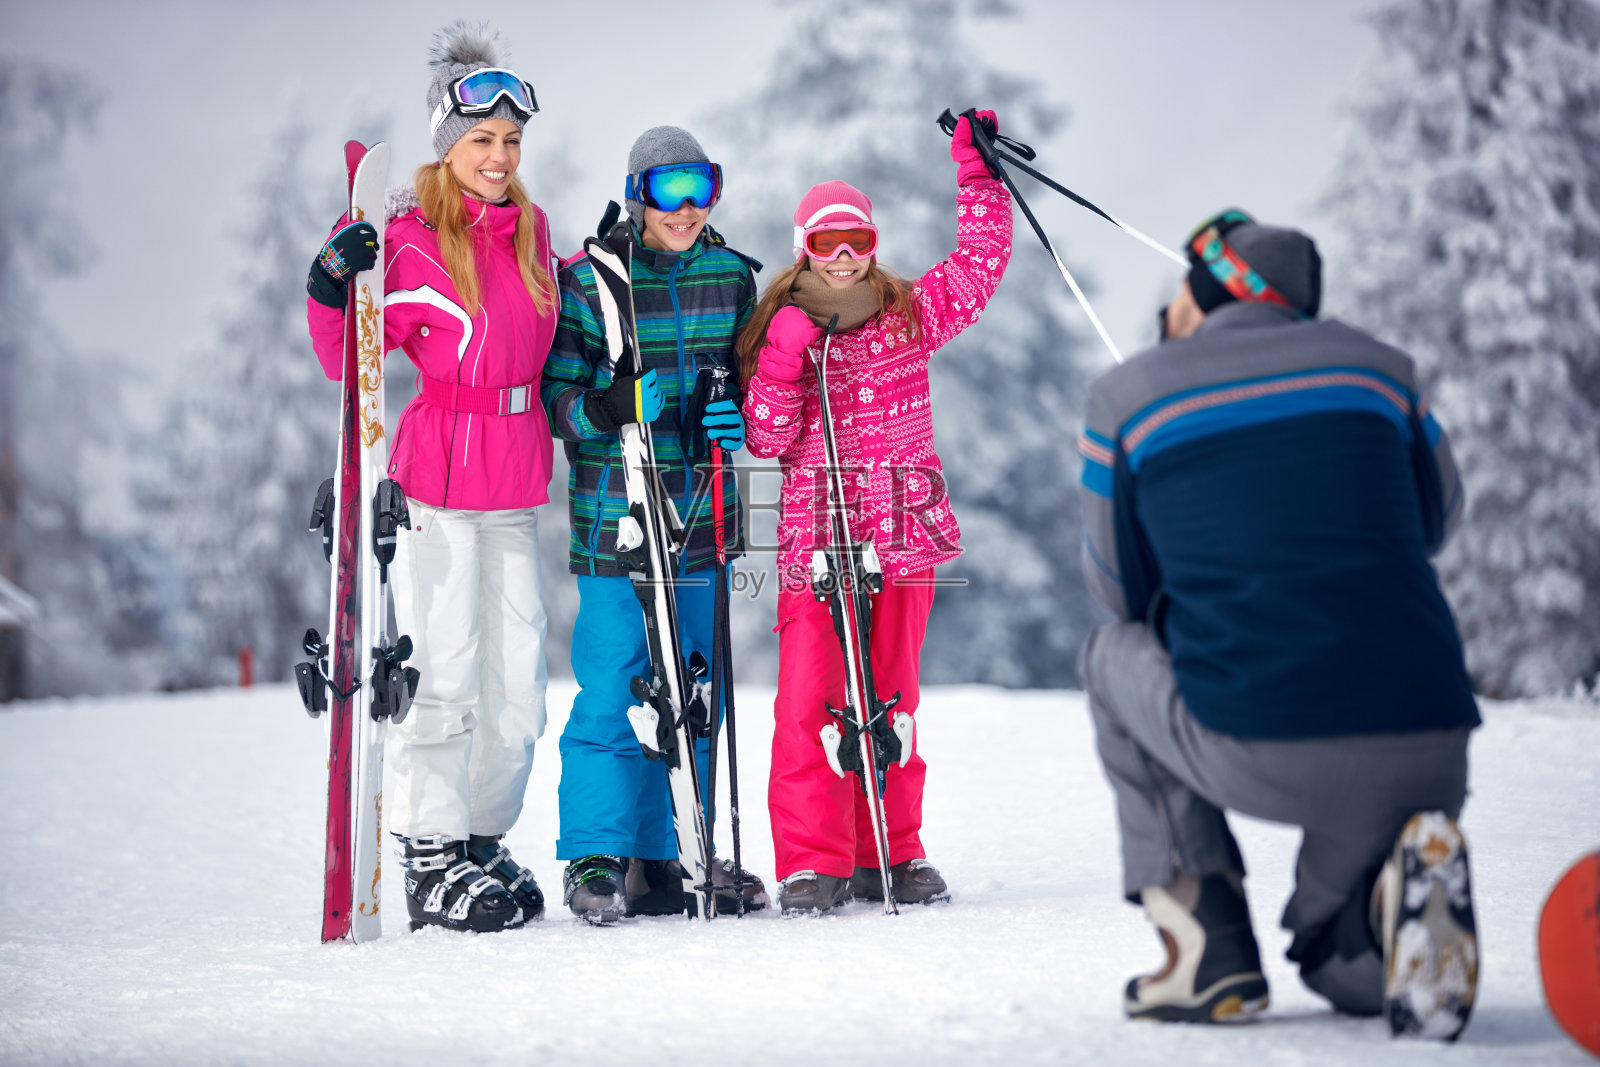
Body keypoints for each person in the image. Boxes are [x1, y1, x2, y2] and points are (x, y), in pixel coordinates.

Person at [1075, 209, 1481, 1037]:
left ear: (1204, 292)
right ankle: (1382, 913)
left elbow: (1120, 592)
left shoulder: (1128, 394)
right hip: (1430, 739)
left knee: (1112, 654)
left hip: (1264, 743)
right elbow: (1435, 520)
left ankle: (1206, 944)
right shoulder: (1383, 371)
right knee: (1336, 953)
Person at [305, 23, 558, 933]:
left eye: (510, 142)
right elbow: (352, 361)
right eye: (481, 141)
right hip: (439, 484)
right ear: (449, 147)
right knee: (444, 672)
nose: (498, 158)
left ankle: (481, 838)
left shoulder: (532, 232)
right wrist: (335, 282)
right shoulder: (408, 240)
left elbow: (554, 341)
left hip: (518, 481)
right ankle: (428, 851)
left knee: (519, 688)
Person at [737, 111, 1012, 916]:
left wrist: (978, 177)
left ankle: (890, 851)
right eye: (829, 243)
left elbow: (978, 267)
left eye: (858, 238)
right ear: (804, 249)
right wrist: (784, 357)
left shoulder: (906, 315)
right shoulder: (779, 331)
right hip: (813, 547)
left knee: (890, 700)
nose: (847, 256)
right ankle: (812, 860)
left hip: (902, 540)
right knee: (809, 705)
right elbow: (764, 435)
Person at [540, 125, 767, 923]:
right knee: (615, 685)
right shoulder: (591, 279)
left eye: (701, 186)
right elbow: (558, 401)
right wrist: (604, 405)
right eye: (669, 189)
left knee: (696, 689)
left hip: (703, 512)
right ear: (638, 194)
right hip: (617, 521)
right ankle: (598, 854)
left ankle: (675, 849)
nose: (686, 207)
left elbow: (757, 385)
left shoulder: (734, 278)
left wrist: (732, 413)